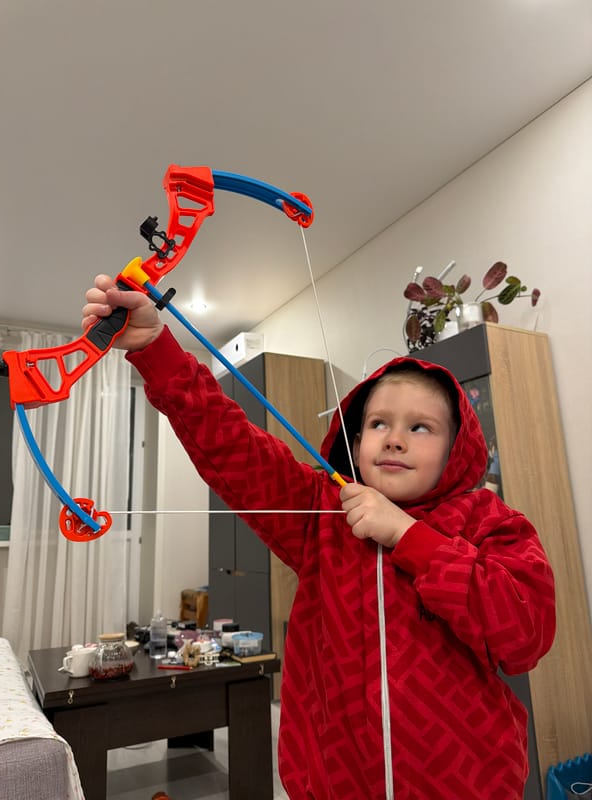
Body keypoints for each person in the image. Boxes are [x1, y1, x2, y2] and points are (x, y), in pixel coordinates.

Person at [83, 275, 556, 800]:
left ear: (456, 447)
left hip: (469, 785)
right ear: (356, 437)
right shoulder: (325, 511)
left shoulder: (491, 520)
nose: (395, 439)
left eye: (420, 427)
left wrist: (409, 536)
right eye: (378, 423)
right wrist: (156, 348)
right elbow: (233, 446)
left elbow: (525, 635)